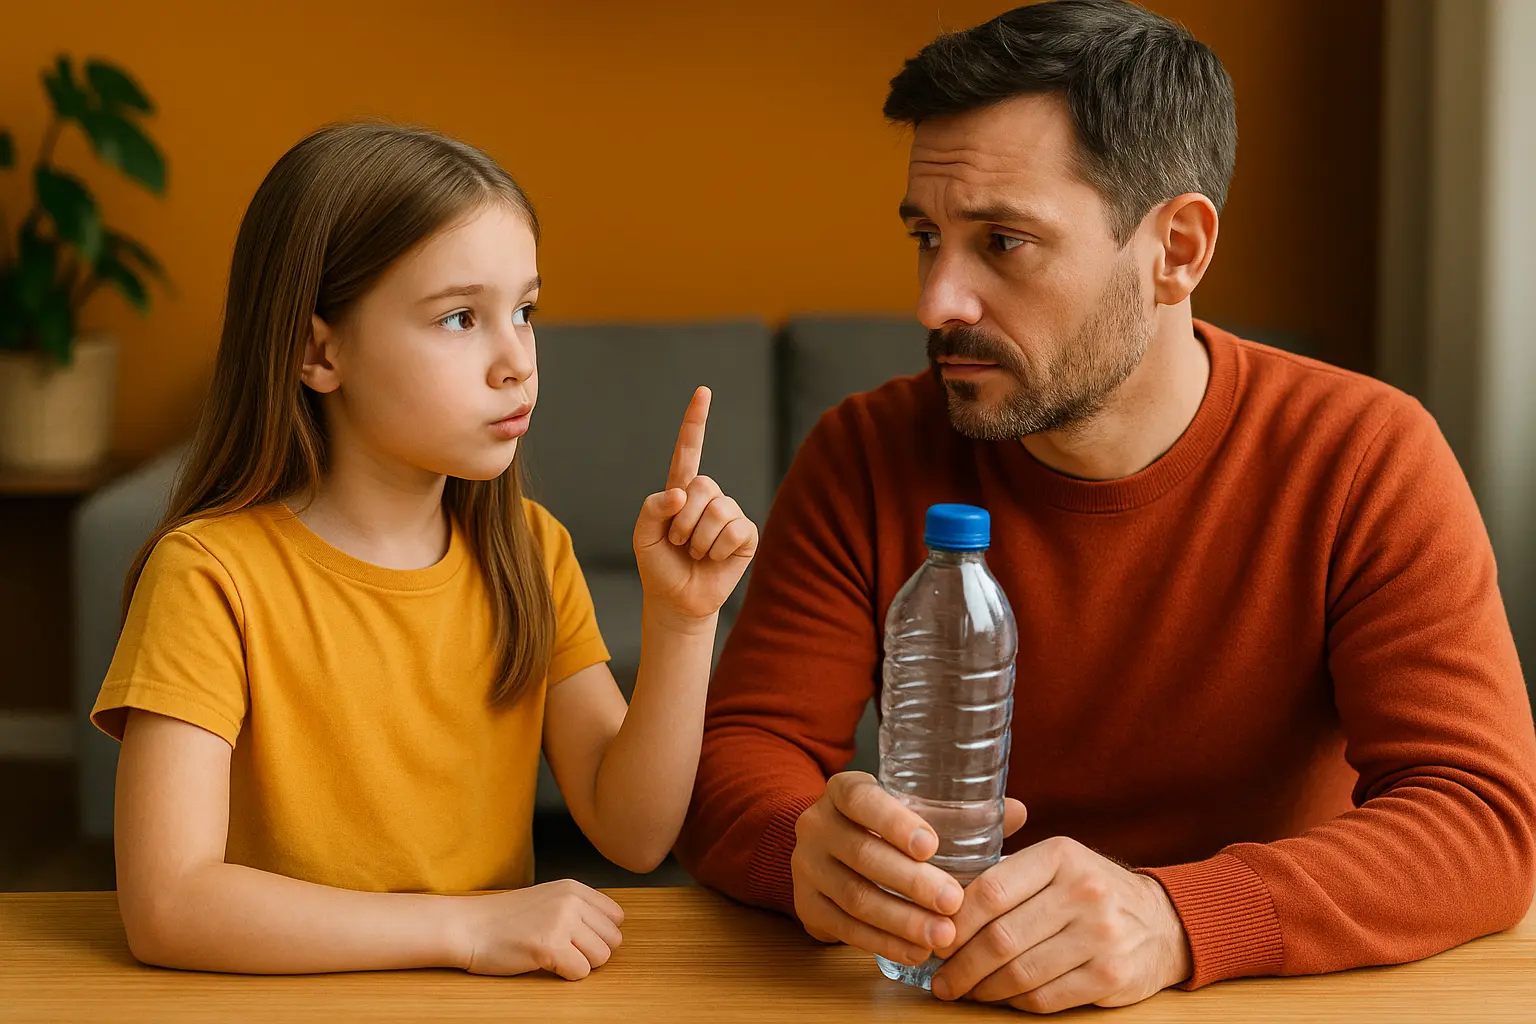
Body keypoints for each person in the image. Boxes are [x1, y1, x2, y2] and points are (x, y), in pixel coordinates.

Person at [676, 0, 1536, 1013]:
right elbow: (740, 760)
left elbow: (1480, 820)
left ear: (1177, 248)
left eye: (1003, 241)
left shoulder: (1365, 456)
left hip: (1266, 999)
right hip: (945, 992)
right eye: (927, 237)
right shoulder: (865, 452)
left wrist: (1177, 918)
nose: (937, 300)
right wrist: (808, 852)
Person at [92, 123, 758, 979]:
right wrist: (469, 928)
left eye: (525, 311)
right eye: (458, 318)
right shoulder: (210, 577)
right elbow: (168, 907)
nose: (516, 360)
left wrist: (682, 621)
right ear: (317, 351)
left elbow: (634, 833)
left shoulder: (530, 552)